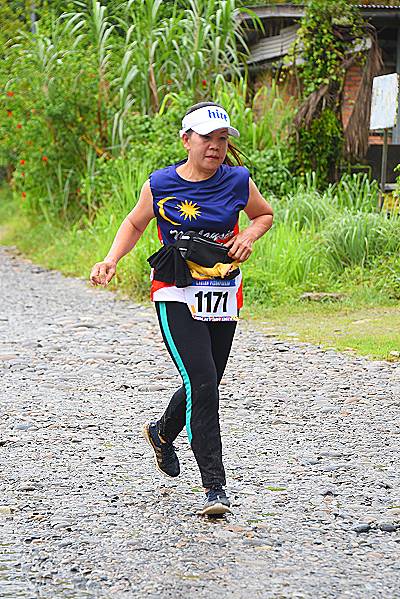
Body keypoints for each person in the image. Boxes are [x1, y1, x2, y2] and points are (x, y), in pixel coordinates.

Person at [90, 102, 273, 516]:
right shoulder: (160, 184)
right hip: (175, 290)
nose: (215, 146)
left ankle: (161, 432)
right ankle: (214, 488)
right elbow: (135, 223)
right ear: (186, 140)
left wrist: (248, 236)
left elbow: (264, 215)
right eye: (207, 138)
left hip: (223, 288)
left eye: (222, 139)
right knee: (203, 382)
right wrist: (111, 259)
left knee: (205, 382)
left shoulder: (238, 180)